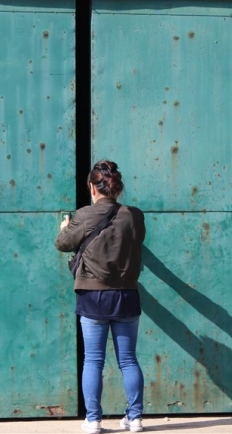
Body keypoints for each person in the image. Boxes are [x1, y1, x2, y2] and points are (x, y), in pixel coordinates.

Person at [55, 160, 146, 434]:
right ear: (117, 188)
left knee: (93, 360)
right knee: (128, 360)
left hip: (93, 295)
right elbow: (135, 241)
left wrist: (65, 227)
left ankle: (93, 420)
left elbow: (62, 244)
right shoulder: (134, 216)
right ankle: (135, 418)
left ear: (93, 187)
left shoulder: (84, 215)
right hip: (126, 294)